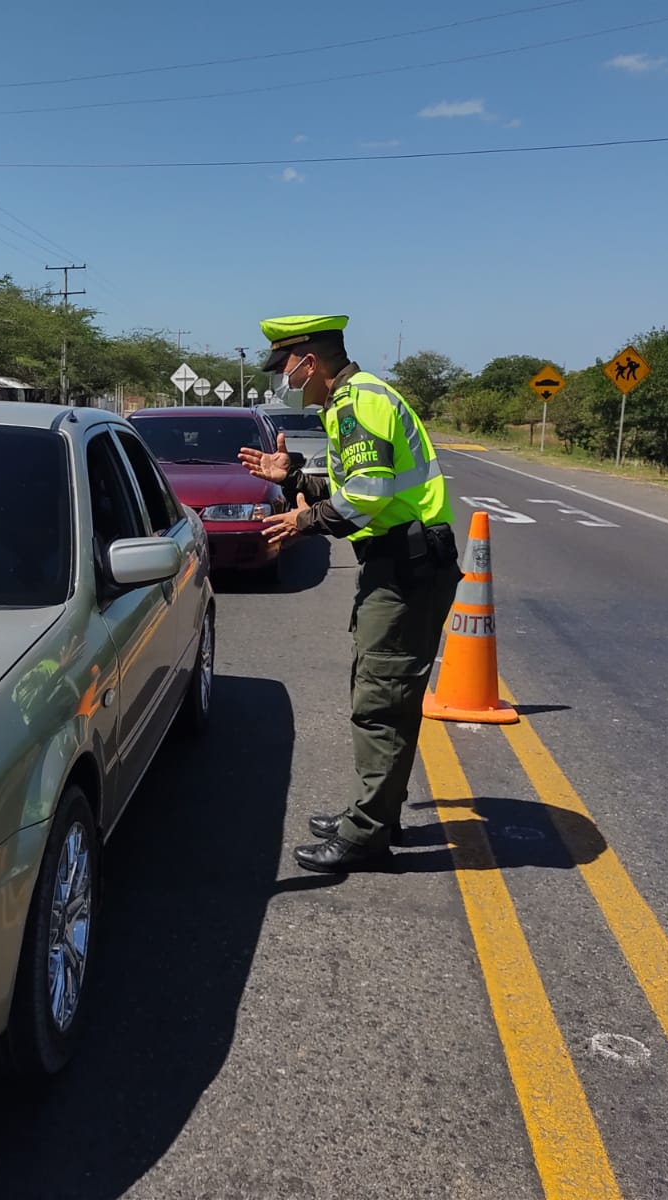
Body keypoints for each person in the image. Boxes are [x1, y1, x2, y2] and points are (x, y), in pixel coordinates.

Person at [239, 314, 461, 872]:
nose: (283, 379)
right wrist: (289, 477)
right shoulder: (352, 401)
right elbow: (355, 488)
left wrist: (303, 521)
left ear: (310, 363)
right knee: (382, 695)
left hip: (405, 570)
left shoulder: (359, 403)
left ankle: (366, 835)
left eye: (285, 367)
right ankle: (375, 812)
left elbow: (364, 498)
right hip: (397, 566)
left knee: (380, 703)